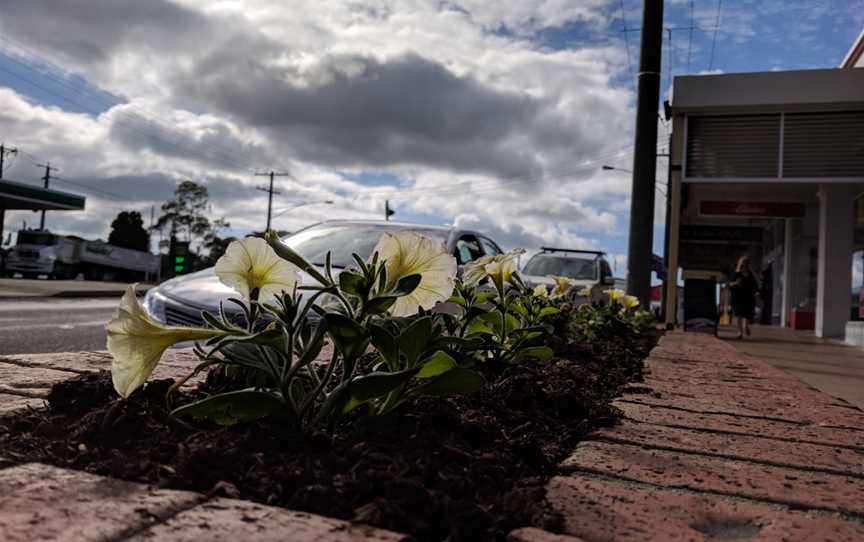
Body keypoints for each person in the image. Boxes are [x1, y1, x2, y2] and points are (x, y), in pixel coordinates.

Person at [729, 256, 760, 339]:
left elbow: (756, 285)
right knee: (739, 315)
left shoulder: (751, 275)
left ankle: (746, 326)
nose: (744, 266)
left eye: (746, 264)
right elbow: (730, 284)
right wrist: (735, 283)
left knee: (747, 315)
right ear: (740, 264)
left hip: (748, 297)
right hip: (738, 298)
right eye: (743, 264)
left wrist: (756, 292)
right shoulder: (736, 274)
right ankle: (740, 332)